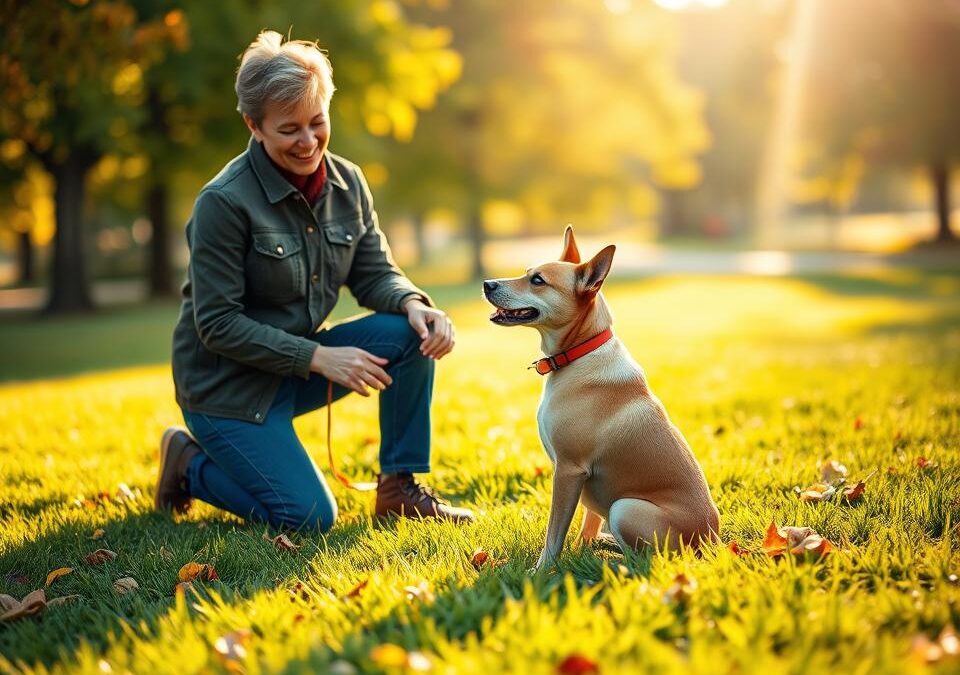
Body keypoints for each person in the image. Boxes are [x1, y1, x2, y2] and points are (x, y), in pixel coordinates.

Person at [155, 30, 474, 532]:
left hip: (294, 372)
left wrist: (413, 303)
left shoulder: (348, 183)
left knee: (409, 335)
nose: (308, 142)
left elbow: (373, 272)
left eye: (317, 123)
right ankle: (188, 465)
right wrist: (320, 357)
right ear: (254, 125)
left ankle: (400, 490)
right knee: (307, 518)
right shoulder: (223, 202)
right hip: (226, 388)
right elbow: (216, 324)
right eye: (289, 130)